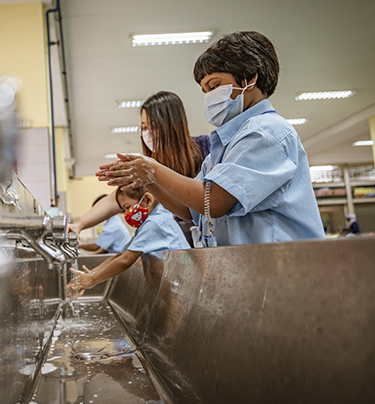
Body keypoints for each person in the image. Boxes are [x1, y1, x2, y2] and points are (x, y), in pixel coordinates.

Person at [97, 31, 325, 246]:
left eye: (214, 86)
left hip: (282, 265)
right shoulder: (226, 145)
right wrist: (147, 180)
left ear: (250, 79)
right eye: (205, 91)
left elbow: (214, 202)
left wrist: (154, 170)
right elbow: (192, 210)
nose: (209, 97)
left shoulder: (266, 132)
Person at [68, 91, 206, 236]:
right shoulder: (146, 167)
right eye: (144, 128)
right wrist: (78, 225)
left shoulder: (204, 149)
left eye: (153, 127)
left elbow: (203, 202)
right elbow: (115, 200)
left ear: (172, 125)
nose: (148, 133)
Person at [67, 187, 190, 298]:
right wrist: (91, 274)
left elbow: (126, 260)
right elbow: (119, 256)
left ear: (147, 199)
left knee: (176, 313)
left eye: (128, 207)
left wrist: (93, 279)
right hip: (172, 285)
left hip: (180, 284)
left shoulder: (155, 222)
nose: (127, 214)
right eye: (124, 209)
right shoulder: (147, 223)